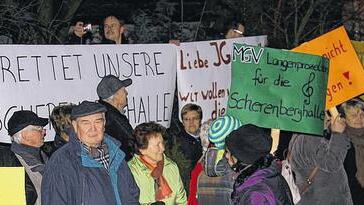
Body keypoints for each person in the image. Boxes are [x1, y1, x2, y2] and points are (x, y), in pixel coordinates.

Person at [42, 101, 139, 205]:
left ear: (104, 123)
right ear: (74, 126)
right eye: (86, 123)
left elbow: (132, 194)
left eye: (98, 122)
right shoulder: (61, 163)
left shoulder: (116, 154)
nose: (93, 129)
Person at [289, 115, 353, 205]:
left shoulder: (303, 132)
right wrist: (339, 134)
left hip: (313, 197)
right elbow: (332, 163)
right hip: (325, 199)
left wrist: (331, 130)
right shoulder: (309, 138)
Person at [225, 124, 293, 205]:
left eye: (229, 153)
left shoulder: (256, 195)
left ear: (242, 157)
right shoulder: (269, 173)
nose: (226, 156)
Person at [128, 122, 187, 205]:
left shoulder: (171, 167)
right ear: (142, 150)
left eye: (162, 143)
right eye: (157, 145)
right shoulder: (130, 172)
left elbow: (182, 201)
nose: (162, 148)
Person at [1, 110, 49, 205]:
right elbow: (12, 202)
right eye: (39, 128)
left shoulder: (45, 155)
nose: (44, 132)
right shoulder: (9, 164)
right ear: (24, 135)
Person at [97, 74, 134, 161]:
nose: (126, 93)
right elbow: (129, 145)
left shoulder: (109, 114)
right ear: (116, 95)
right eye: (123, 90)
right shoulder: (111, 118)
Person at [341, 98, 364, 205]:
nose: (359, 119)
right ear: (345, 119)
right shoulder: (341, 141)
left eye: (361, 114)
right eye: (354, 116)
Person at [176, 103, 203, 191]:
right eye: (187, 119)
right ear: (183, 122)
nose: (191, 122)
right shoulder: (178, 143)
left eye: (194, 118)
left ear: (200, 120)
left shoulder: (206, 137)